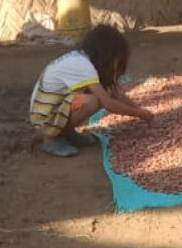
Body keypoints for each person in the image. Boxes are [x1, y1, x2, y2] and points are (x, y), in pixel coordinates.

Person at [30, 23, 153, 157]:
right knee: (92, 101)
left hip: (52, 110)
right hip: (45, 119)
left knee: (103, 92)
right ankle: (51, 139)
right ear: (109, 54)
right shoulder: (83, 65)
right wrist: (140, 114)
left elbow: (115, 93)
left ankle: (67, 132)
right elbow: (107, 103)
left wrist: (140, 110)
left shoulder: (83, 59)